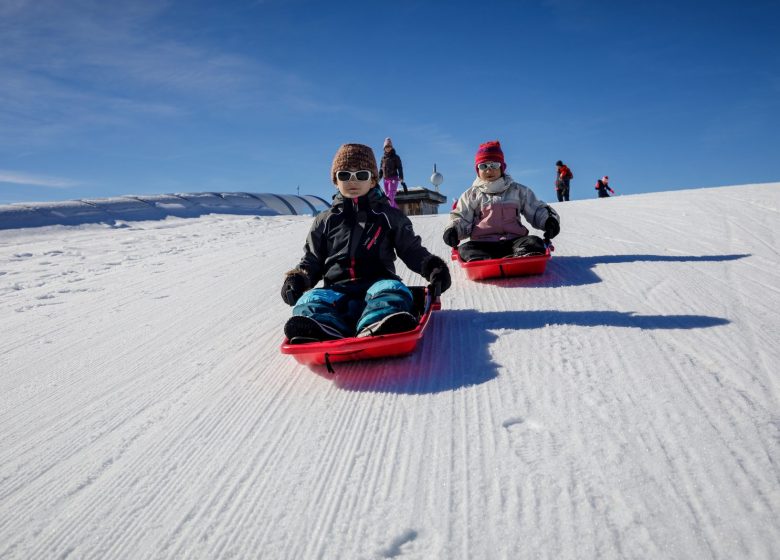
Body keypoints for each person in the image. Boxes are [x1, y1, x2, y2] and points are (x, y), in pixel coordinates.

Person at [281, 143, 451, 343]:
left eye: (361, 175)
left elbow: (411, 250)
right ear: (336, 181)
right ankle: (323, 326)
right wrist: (298, 279)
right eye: (345, 175)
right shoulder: (325, 220)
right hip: (337, 289)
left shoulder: (389, 216)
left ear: (372, 181)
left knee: (393, 291)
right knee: (311, 301)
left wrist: (433, 268)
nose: (353, 181)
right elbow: (313, 259)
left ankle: (380, 321)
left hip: (378, 283)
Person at [442, 140, 560, 262]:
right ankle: (482, 260)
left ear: (502, 167)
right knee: (465, 249)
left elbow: (535, 209)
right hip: (483, 244)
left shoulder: (517, 191)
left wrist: (548, 221)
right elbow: (462, 217)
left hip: (514, 242)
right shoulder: (471, 195)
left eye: (494, 165)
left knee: (535, 242)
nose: (489, 170)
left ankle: (522, 255)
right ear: (477, 170)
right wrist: (453, 230)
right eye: (483, 166)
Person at [378, 137, 407, 208]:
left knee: (389, 196)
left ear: (391, 147)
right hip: (385, 180)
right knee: (389, 197)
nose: (388, 148)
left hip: (393, 179)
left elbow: (400, 167)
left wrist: (401, 177)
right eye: (386, 147)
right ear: (384, 148)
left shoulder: (396, 157)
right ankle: (396, 212)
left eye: (389, 146)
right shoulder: (383, 158)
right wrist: (378, 179)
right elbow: (381, 170)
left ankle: (389, 211)